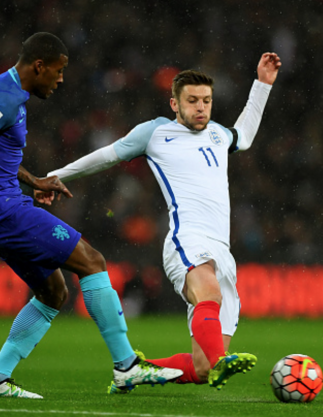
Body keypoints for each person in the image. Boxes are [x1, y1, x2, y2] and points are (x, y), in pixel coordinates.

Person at [0, 32, 182, 399]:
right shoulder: (2, 98)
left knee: (53, 292)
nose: (61, 79)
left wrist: (32, 179)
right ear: (39, 66)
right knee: (92, 260)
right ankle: (127, 366)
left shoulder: (7, 93)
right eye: (58, 70)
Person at [43, 52, 281, 392]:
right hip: (187, 239)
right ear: (174, 103)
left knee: (200, 369)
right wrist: (55, 176)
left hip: (221, 250)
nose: (201, 107)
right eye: (193, 100)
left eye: (207, 101)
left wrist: (262, 85)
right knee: (208, 295)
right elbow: (107, 155)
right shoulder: (155, 132)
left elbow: (244, 135)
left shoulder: (216, 134)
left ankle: (135, 371)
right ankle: (221, 361)